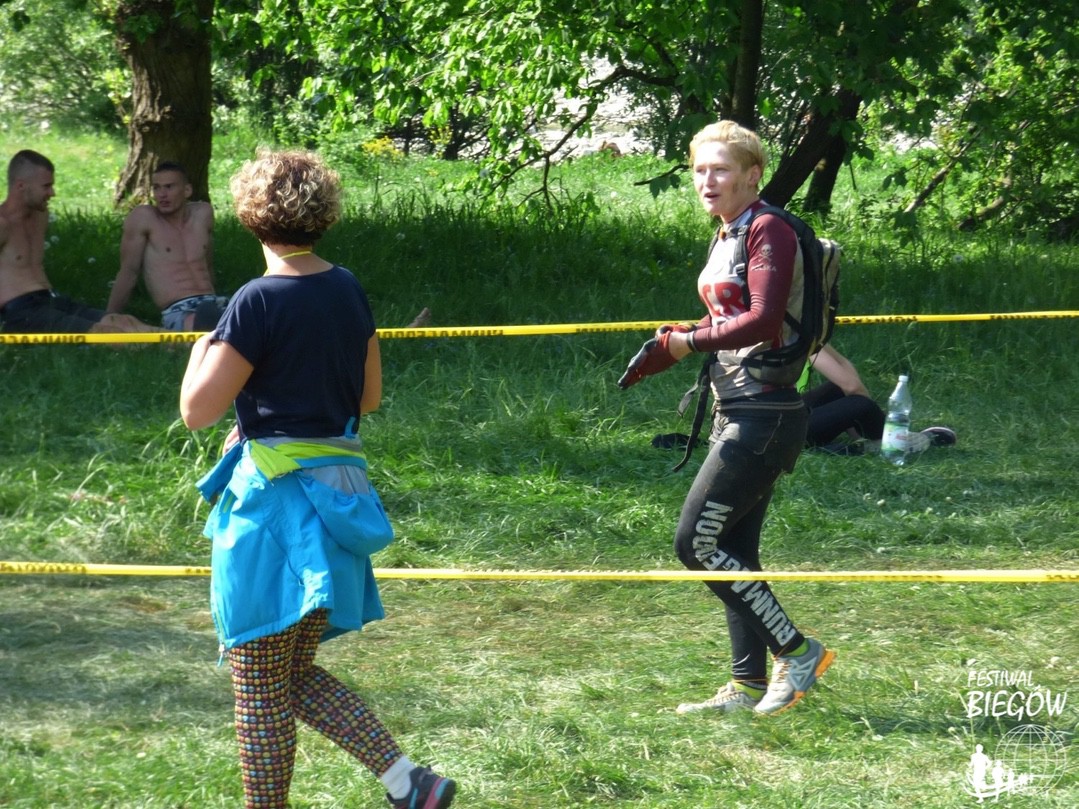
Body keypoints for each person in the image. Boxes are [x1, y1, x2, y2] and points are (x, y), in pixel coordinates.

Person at [180, 150, 455, 809]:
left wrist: (199, 352)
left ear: (250, 215)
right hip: (338, 497)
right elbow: (368, 397)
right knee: (290, 673)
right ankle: (408, 783)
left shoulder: (255, 299)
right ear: (323, 212)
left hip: (274, 508)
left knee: (256, 681)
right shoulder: (346, 287)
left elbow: (198, 410)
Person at [619, 120, 834, 716]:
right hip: (734, 406)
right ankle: (746, 686)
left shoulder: (767, 228)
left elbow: (763, 320)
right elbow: (730, 322)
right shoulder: (728, 232)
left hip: (765, 414)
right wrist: (678, 341)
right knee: (734, 546)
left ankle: (798, 652)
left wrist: (687, 342)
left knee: (696, 543)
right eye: (699, 170)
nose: (706, 181)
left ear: (751, 174)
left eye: (720, 169)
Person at [0, 150, 155, 333]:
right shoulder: (3, 224)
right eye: (46, 186)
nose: (52, 193)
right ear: (21, 186)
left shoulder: (40, 216)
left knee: (123, 321)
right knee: (105, 333)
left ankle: (181, 341)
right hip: (20, 312)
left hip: (51, 300)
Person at [107, 161, 226, 331]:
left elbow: (208, 265)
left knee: (254, 310)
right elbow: (128, 272)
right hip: (179, 310)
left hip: (212, 302)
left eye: (169, 187)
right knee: (209, 324)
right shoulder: (144, 218)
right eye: (157, 188)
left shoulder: (202, 214)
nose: (162, 195)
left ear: (187, 190)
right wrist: (109, 316)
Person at [803, 344, 956, 455]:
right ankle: (895, 440)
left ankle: (876, 439)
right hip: (790, 430)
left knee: (839, 389)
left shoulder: (800, 330)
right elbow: (852, 387)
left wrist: (857, 425)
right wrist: (866, 413)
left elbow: (843, 365)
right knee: (861, 404)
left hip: (791, 417)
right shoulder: (799, 335)